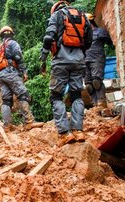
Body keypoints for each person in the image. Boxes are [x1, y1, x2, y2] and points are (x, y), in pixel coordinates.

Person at [39, 1, 93, 146]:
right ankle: (78, 131)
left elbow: (48, 38)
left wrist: (43, 60)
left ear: (55, 9)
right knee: (76, 94)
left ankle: (64, 133)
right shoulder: (83, 16)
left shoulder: (57, 15)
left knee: (56, 95)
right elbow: (89, 41)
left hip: (61, 62)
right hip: (79, 61)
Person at [0, 26, 43, 131]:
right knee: (23, 94)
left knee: (6, 100)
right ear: (11, 34)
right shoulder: (12, 43)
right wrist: (24, 72)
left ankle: (7, 126)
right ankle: (29, 122)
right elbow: (18, 57)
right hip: (10, 72)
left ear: (1, 35)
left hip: (0, 75)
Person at [84, 13, 113, 108]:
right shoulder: (82, 36)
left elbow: (110, 42)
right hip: (85, 61)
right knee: (88, 85)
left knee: (96, 82)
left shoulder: (100, 32)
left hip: (97, 59)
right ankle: (94, 104)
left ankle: (101, 102)